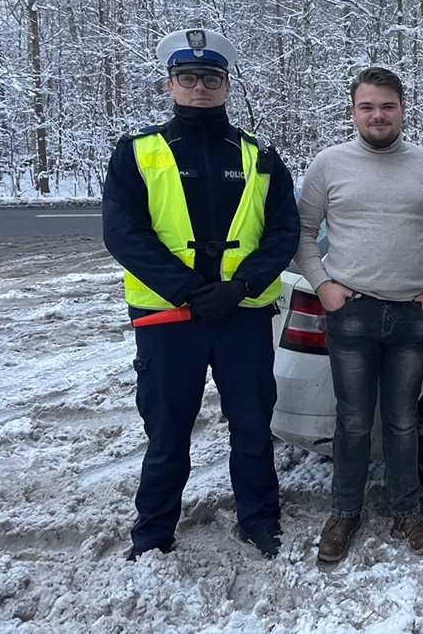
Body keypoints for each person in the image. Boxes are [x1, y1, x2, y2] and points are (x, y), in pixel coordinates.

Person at [102, 28, 300, 561]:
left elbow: (284, 232)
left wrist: (240, 287)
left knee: (254, 427)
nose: (200, 87)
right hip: (168, 317)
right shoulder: (138, 152)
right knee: (167, 431)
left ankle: (259, 520)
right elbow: (123, 233)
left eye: (211, 78)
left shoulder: (260, 156)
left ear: (227, 85)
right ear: (171, 83)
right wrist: (189, 290)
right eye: (188, 78)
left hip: (242, 316)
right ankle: (153, 533)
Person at [294, 66, 423, 563]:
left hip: (412, 314)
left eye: (387, 106)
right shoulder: (329, 164)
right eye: (367, 107)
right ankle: (345, 513)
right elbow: (302, 232)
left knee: (404, 421)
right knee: (355, 421)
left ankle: (406, 511)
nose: (378, 115)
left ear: (403, 109)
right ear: (354, 111)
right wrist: (323, 286)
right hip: (353, 314)